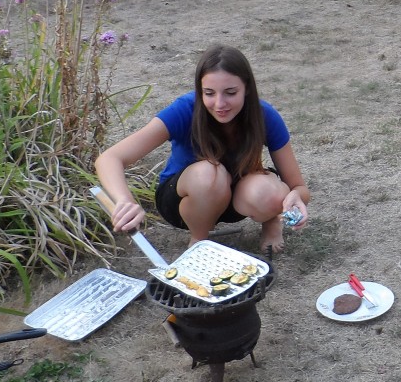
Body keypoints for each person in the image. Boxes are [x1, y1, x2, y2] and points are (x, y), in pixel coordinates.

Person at [96, 44, 310, 252]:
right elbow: (109, 158)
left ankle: (271, 221)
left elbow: (299, 187)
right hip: (186, 200)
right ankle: (199, 241)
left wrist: (294, 198)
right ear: (200, 91)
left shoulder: (263, 115)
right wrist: (124, 201)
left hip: (237, 198)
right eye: (209, 93)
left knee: (269, 191)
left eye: (230, 92)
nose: (219, 104)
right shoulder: (185, 109)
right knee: (210, 173)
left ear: (247, 89)